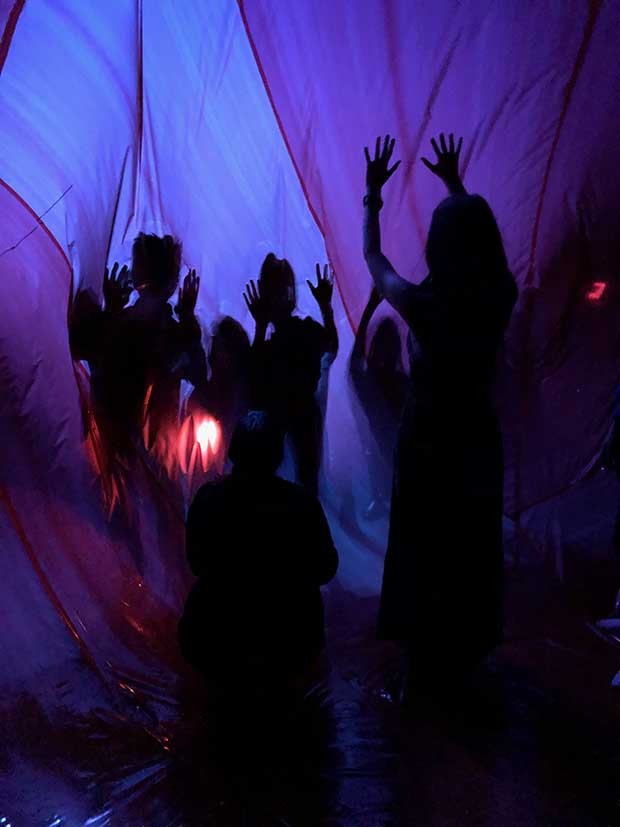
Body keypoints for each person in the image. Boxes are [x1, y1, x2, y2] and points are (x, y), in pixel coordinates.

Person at [362, 133, 518, 687]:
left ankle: (426, 650)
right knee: (470, 538)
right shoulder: (498, 294)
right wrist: (456, 186)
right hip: (475, 434)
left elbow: (374, 259)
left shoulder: (424, 303)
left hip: (429, 437)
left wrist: (372, 196)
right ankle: (467, 645)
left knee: (425, 538)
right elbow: (484, 250)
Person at [178, 410, 339, 689]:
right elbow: (326, 567)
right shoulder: (300, 503)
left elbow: (196, 562)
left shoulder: (208, 498)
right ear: (277, 456)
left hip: (217, 638)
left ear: (233, 452)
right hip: (289, 640)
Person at [69, 233, 206, 467]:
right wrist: (187, 320)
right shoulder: (173, 332)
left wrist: (110, 312)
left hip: (111, 450)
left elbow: (84, 351)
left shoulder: (129, 323)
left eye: (136, 264)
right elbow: (198, 375)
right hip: (150, 456)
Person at [243, 254, 338, 495]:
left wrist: (326, 307)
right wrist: (325, 307)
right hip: (287, 433)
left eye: (278, 289)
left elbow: (329, 349)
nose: (275, 297)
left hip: (297, 429)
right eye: (271, 289)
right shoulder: (291, 336)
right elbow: (254, 387)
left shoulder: (300, 332)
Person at [349, 285, 407, 518]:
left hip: (396, 457)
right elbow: (354, 364)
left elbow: (354, 362)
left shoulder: (384, 383)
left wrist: (370, 307)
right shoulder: (397, 383)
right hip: (395, 457)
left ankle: (381, 500)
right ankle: (382, 500)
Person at [188, 315, 251, 456]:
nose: (211, 356)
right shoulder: (209, 390)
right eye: (212, 349)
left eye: (217, 351)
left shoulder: (239, 398)